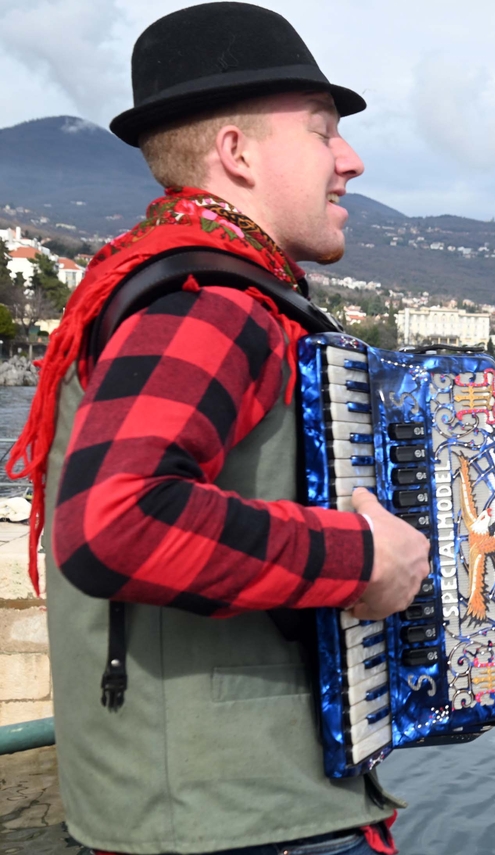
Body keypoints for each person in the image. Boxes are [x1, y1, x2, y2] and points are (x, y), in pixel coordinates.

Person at [6, 4, 431, 853]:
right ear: (236, 153)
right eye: (322, 131)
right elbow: (114, 520)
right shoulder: (213, 303)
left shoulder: (172, 283)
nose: (351, 158)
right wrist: (363, 557)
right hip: (241, 823)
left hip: (221, 812)